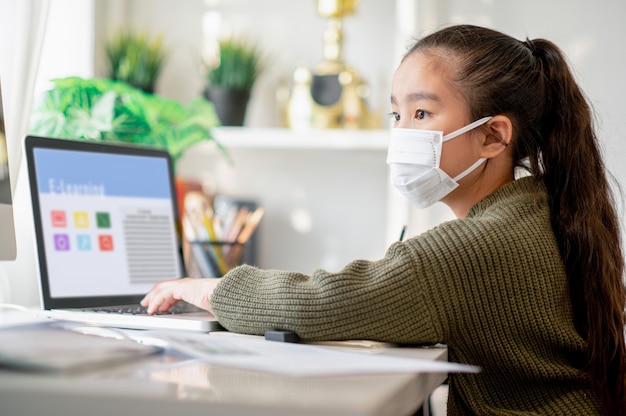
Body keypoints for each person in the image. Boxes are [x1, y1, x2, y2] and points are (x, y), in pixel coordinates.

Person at [141, 24, 626, 415]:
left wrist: (209, 289)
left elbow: (327, 302)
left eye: (421, 113)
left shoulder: (476, 245)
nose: (402, 133)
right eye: (397, 115)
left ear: (493, 137)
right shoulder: (537, 209)